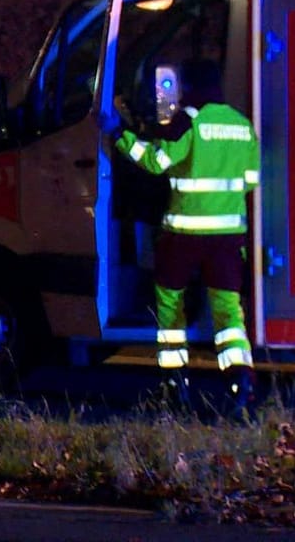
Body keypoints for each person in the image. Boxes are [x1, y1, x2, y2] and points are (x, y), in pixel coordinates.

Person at [100, 58, 261, 418]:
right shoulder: (242, 126)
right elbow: (251, 179)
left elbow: (156, 161)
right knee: (228, 313)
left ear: (189, 88)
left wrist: (118, 134)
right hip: (228, 239)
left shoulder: (189, 121)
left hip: (183, 236)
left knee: (171, 308)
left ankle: (175, 386)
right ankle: (241, 384)